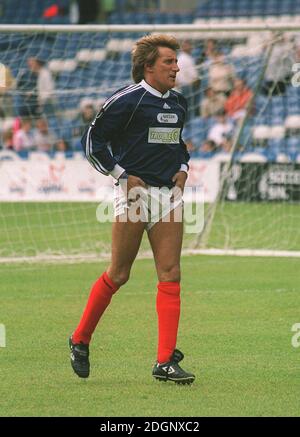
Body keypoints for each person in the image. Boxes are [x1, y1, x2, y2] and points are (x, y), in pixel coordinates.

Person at [69, 33, 195, 385]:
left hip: (169, 197)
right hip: (135, 197)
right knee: (119, 274)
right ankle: (80, 339)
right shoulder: (128, 100)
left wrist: (184, 168)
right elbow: (92, 142)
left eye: (176, 61)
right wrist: (122, 175)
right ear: (148, 66)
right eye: (169, 62)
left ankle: (164, 361)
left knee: (171, 274)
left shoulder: (180, 102)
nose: (176, 67)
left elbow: (179, 145)